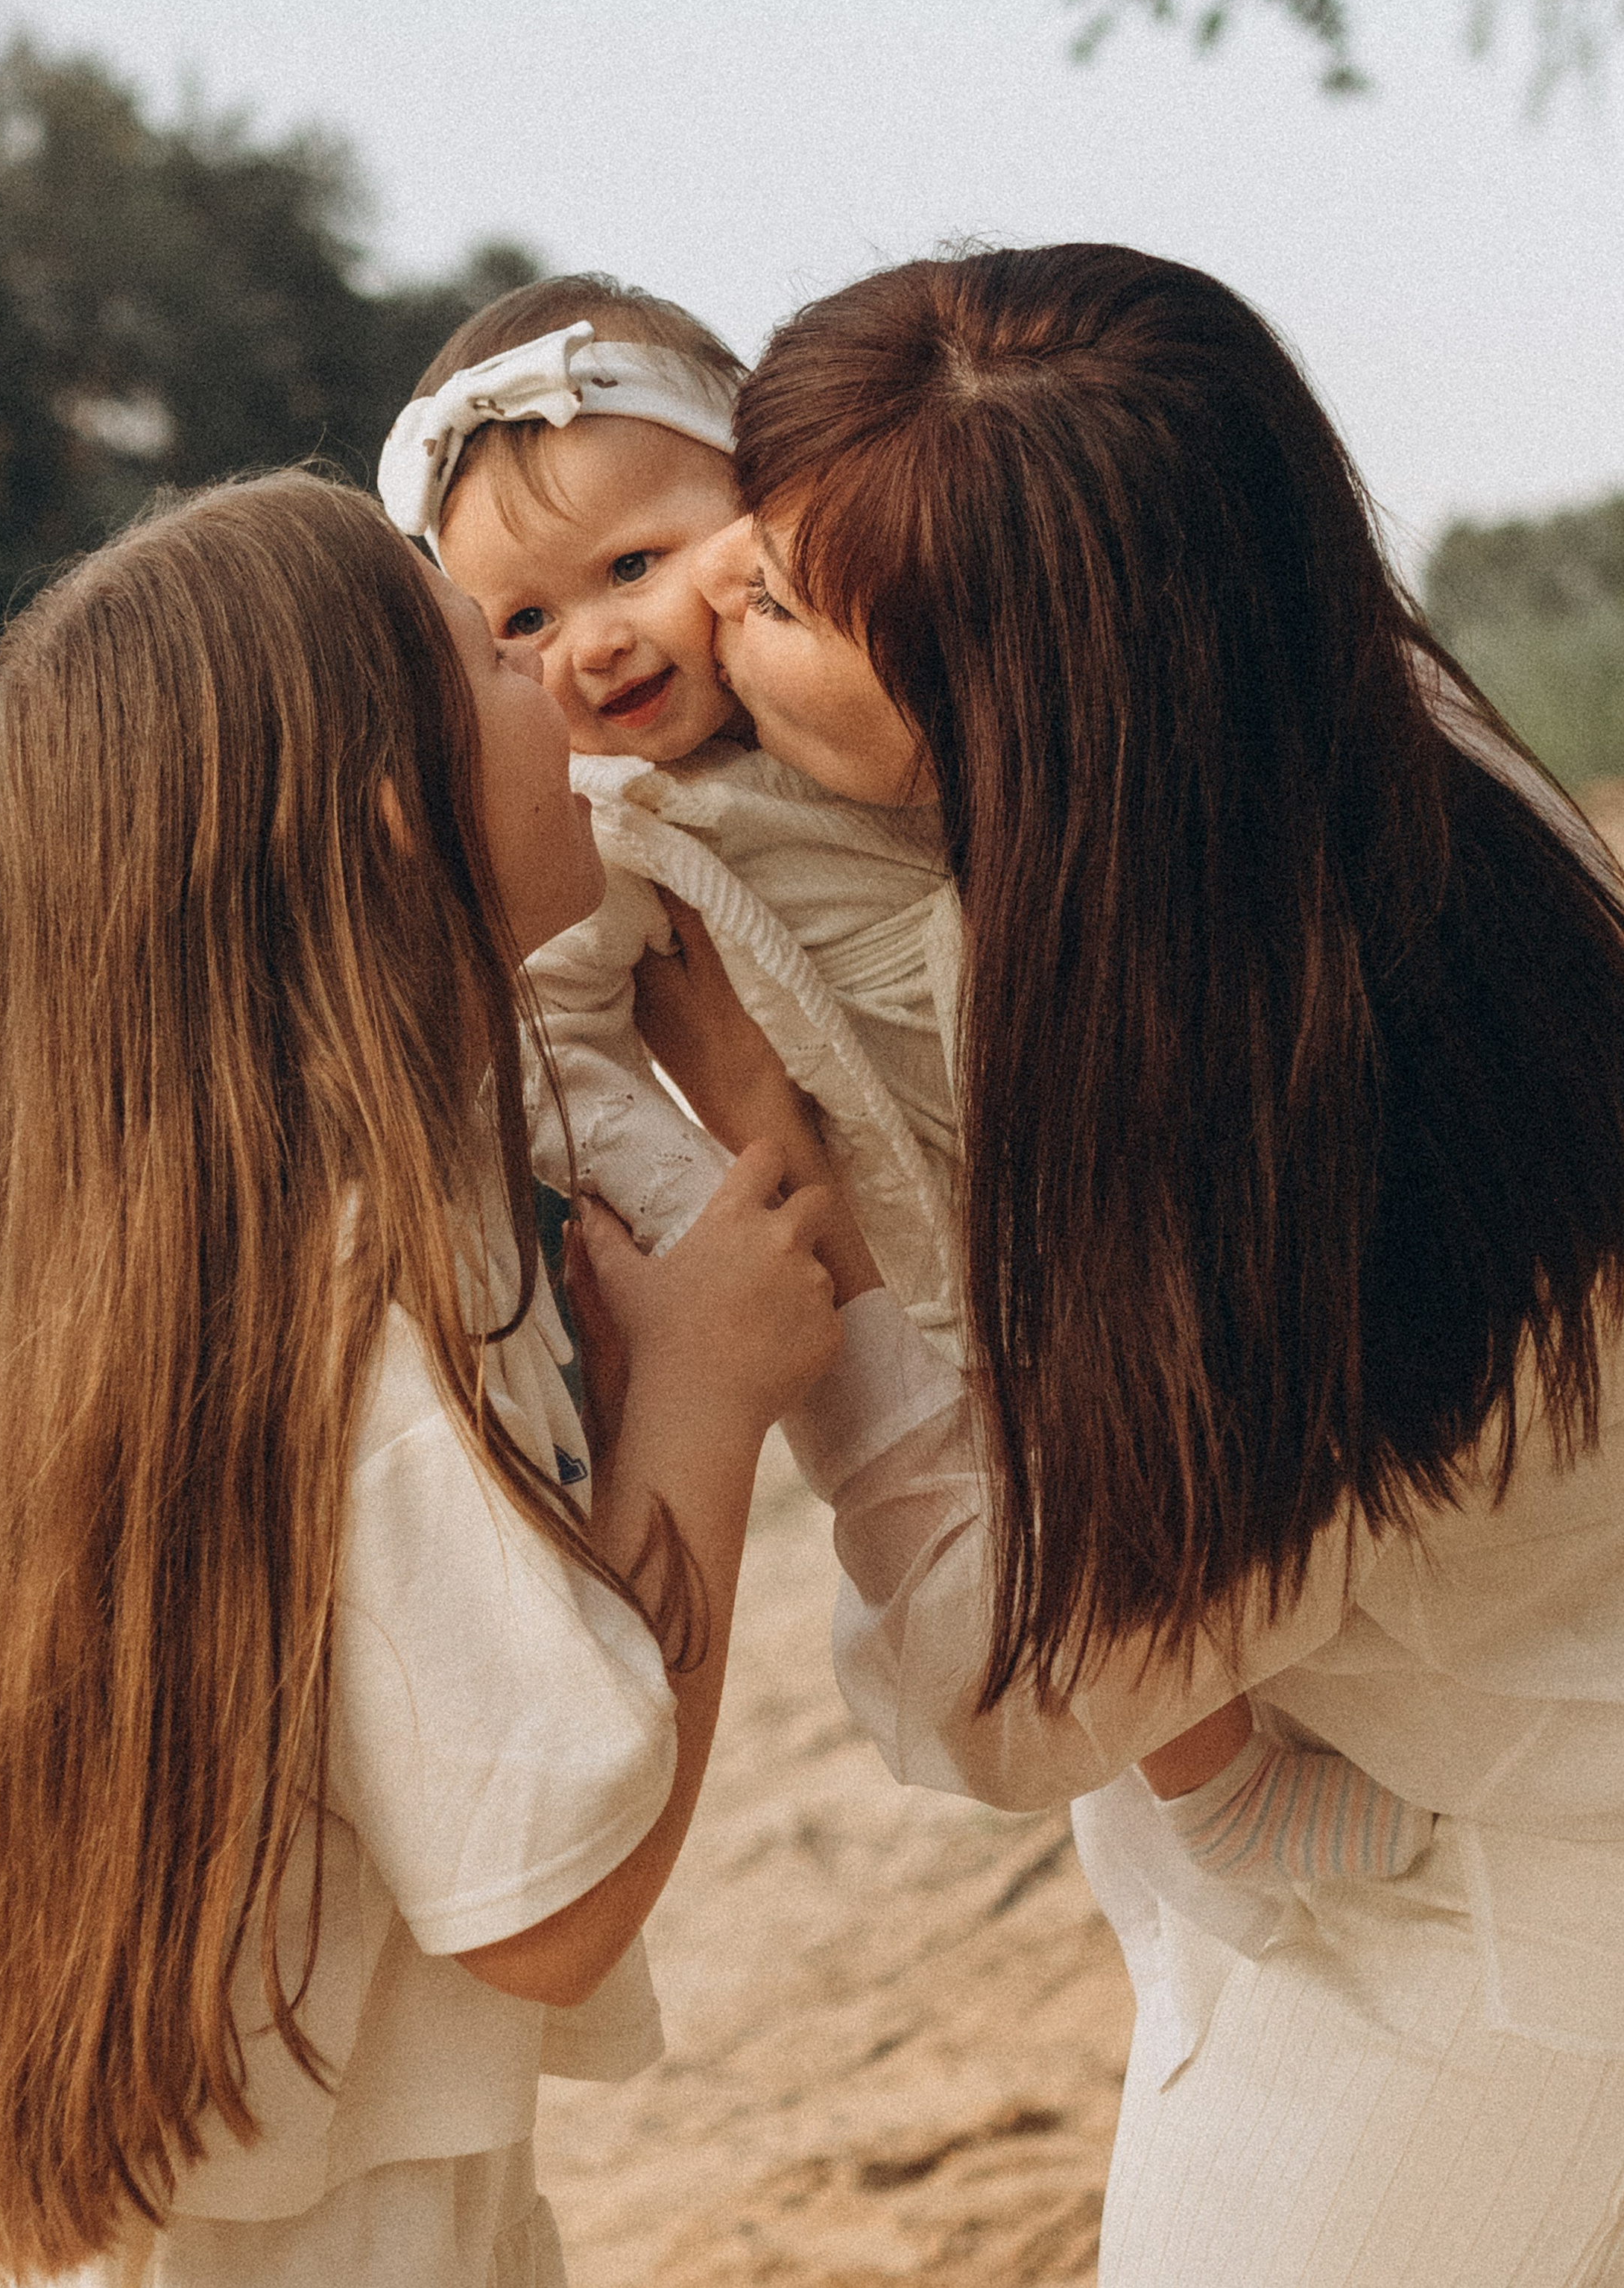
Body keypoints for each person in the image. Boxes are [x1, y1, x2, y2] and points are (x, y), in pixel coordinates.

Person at [634, 245, 1624, 2286]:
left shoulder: (1285, 1153)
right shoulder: (1334, 759)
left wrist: (773, 1169)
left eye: (787, 595)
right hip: (1352, 1793)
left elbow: (1016, 1689)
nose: (712, 579)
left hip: (1508, 1883)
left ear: (1015, 715)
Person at [0, 468, 842, 2288]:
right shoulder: (371, 1300)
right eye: (495, 651)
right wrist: (705, 1399)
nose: (557, 676)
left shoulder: (242, 1233)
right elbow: (549, 1907)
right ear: (394, 814)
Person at [379, 276, 963, 1356]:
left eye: (632, 566)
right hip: (913, 1263)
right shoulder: (615, 829)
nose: (595, 644)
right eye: (527, 620)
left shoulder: (883, 650)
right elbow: (553, 1049)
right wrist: (707, 1197)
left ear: (754, 505)